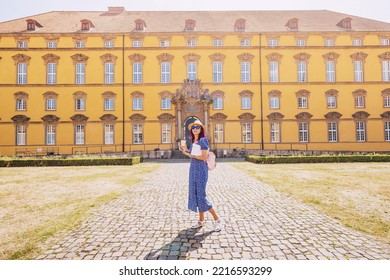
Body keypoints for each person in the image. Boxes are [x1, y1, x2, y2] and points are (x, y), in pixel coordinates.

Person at [180, 120, 221, 232]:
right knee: (197, 195)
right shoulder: (195, 141)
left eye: (197, 127)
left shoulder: (203, 140)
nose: (195, 129)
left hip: (201, 171)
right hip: (193, 170)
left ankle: (217, 220)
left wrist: (191, 155)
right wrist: (185, 151)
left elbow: (203, 157)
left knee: (201, 197)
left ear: (201, 129)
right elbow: (194, 155)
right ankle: (201, 221)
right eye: (193, 127)